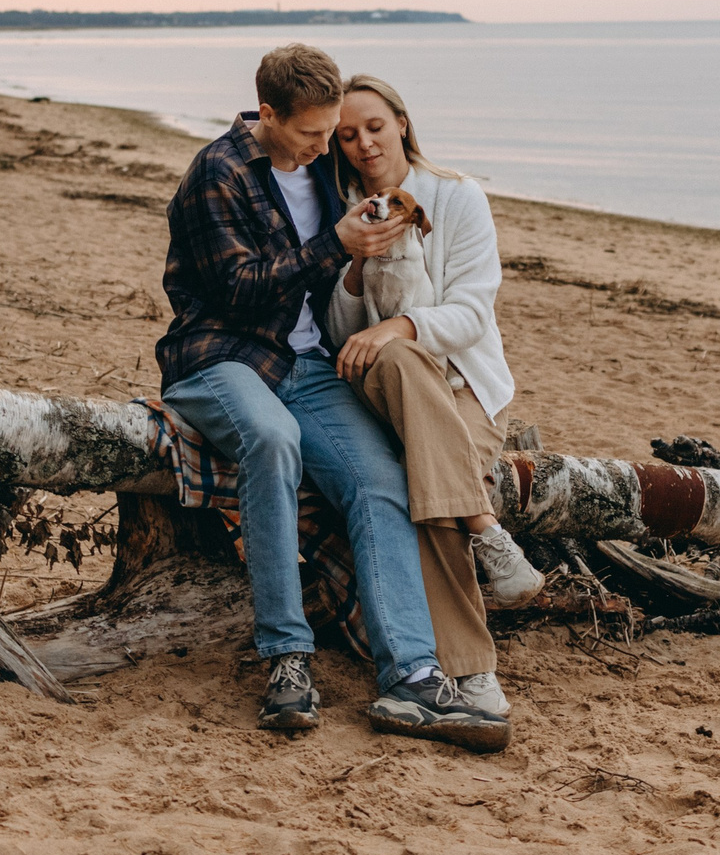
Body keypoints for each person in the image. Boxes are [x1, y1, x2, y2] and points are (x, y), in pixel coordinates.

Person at [155, 43, 509, 751]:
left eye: (334, 133)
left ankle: (410, 673)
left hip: (303, 362)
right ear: (268, 114)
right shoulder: (217, 172)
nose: (328, 147)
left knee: (380, 482)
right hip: (219, 356)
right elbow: (236, 292)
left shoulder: (322, 175)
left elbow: (343, 294)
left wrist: (364, 261)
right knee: (273, 440)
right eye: (315, 133)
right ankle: (288, 657)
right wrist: (335, 249)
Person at [325, 75, 545, 723]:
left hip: (461, 386)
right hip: (383, 387)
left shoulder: (454, 195)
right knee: (393, 358)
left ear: (401, 122)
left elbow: (472, 313)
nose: (364, 143)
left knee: (422, 486)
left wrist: (400, 325)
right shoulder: (342, 211)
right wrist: (357, 260)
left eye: (374, 126)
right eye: (347, 135)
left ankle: (466, 673)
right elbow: (345, 338)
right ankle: (487, 539)